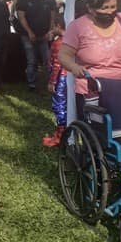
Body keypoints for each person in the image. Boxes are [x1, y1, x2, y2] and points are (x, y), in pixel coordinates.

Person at [16, 0, 56, 91]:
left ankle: (50, 82)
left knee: (48, 59)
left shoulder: (49, 1)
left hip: (44, 34)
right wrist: (29, 32)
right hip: (28, 36)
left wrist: (50, 31)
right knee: (31, 60)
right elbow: (21, 18)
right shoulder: (22, 1)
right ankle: (31, 84)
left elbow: (52, 17)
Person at [42, 14, 68, 147]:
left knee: (60, 106)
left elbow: (57, 64)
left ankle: (60, 136)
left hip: (61, 78)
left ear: (58, 26)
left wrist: (52, 81)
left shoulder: (59, 43)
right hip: (68, 76)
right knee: (65, 106)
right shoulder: (70, 40)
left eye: (53, 26)